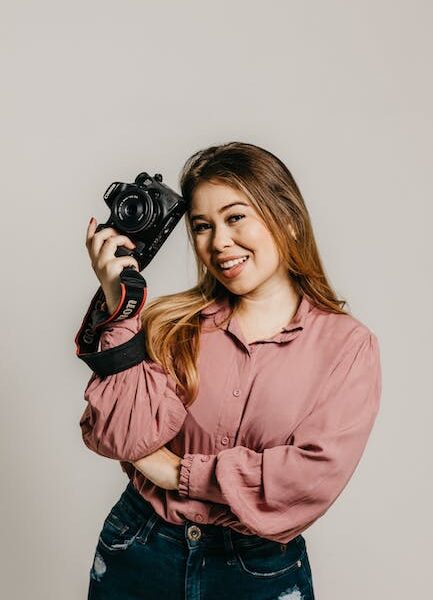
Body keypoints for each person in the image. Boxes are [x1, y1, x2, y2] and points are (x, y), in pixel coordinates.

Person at [81, 141, 382, 599]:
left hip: (257, 569)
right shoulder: (169, 323)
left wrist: (177, 472)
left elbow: (310, 478)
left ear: (287, 219)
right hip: (140, 547)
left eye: (235, 217)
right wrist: (120, 308)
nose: (219, 242)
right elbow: (120, 436)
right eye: (203, 226)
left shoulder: (347, 347)